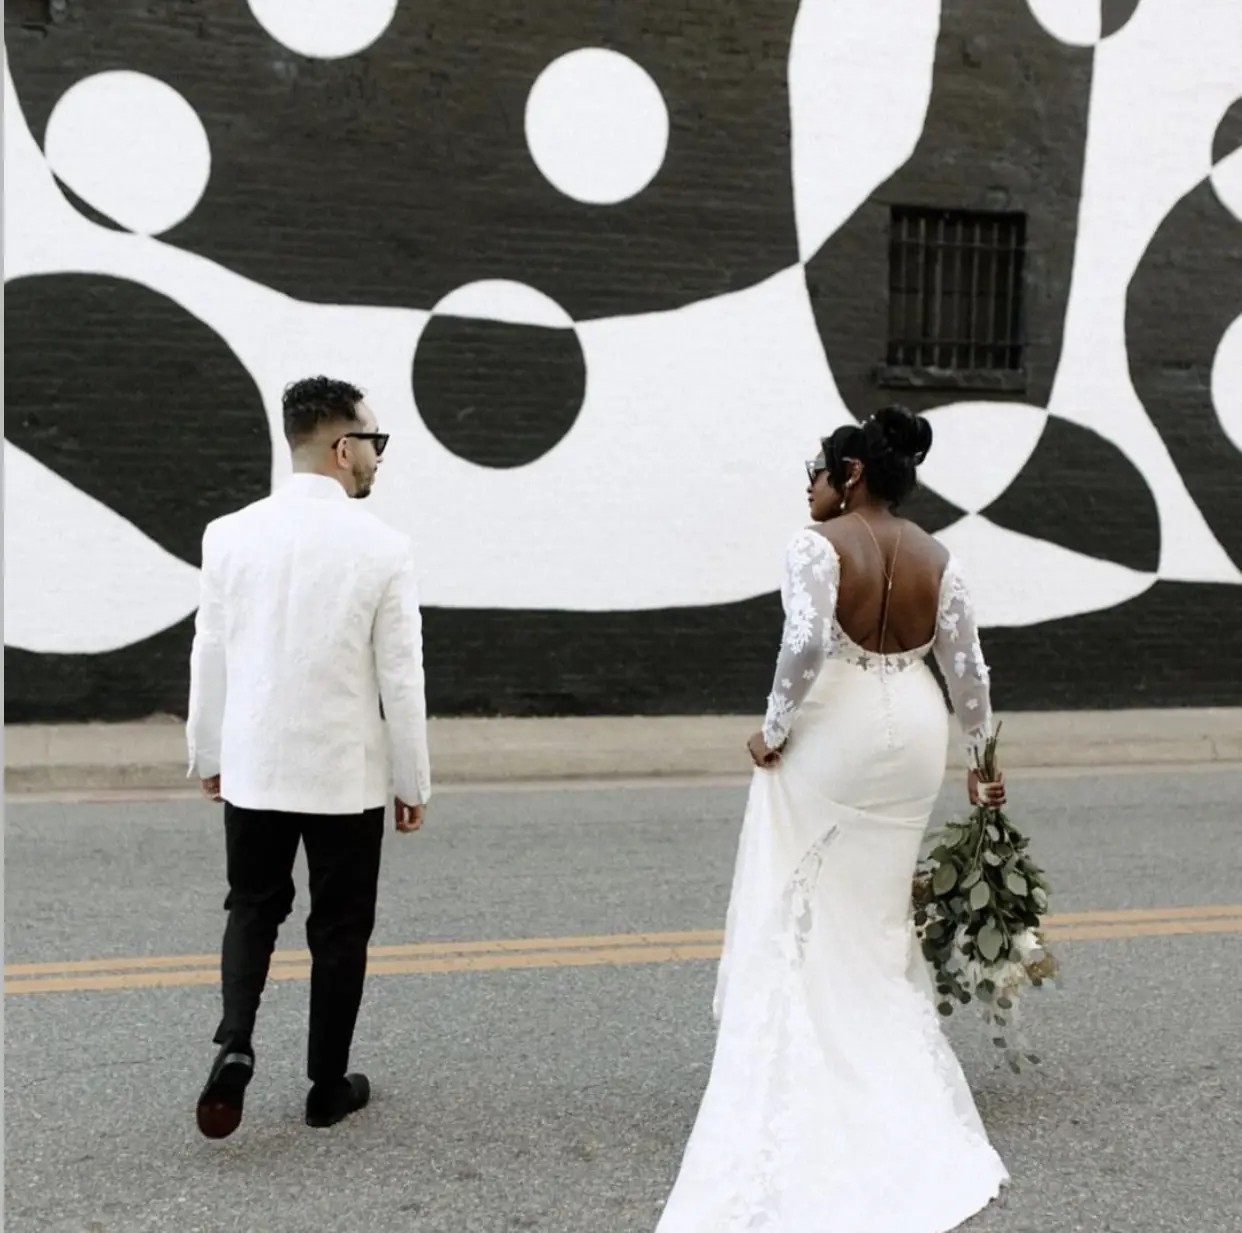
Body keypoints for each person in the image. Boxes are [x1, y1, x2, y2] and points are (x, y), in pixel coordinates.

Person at [655, 405, 1009, 1232]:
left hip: (838, 731)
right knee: (880, 910)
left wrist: (773, 729)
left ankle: (814, 1057)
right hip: (916, 735)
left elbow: (807, 643)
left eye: (817, 470)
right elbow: (970, 674)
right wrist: (982, 761)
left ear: (851, 474)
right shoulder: (938, 555)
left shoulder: (816, 544)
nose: (809, 486)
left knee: (799, 889)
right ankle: (884, 1057)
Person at [186, 376, 431, 1139]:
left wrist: (207, 750)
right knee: (340, 927)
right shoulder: (385, 547)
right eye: (376, 444)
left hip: (256, 761)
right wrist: (411, 776)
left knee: (252, 906)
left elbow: (210, 651)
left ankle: (234, 1042)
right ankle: (327, 1086)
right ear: (342, 446)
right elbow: (400, 674)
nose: (379, 460)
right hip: (343, 772)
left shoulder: (228, 534)